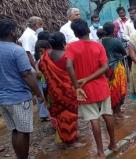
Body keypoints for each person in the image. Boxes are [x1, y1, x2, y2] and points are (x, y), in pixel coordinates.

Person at [66, 19, 117, 158]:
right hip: (101, 87)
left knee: (94, 119)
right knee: (108, 114)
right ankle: (113, 144)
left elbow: (69, 66)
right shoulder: (98, 46)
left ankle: (100, 152)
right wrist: (89, 78)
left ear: (75, 33)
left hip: (85, 90)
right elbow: (105, 67)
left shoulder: (71, 47)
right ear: (88, 30)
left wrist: (78, 85)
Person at [0, 18, 44, 159]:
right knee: (23, 132)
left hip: (3, 98)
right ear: (11, 32)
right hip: (19, 98)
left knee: (14, 130)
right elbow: (26, 75)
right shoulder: (17, 50)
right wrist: (38, 93)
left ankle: (20, 157)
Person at [38, 32, 81, 145]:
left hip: (54, 94)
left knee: (60, 115)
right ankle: (72, 139)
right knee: (71, 115)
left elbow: (43, 73)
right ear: (63, 43)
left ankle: (65, 138)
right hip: (70, 93)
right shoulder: (68, 57)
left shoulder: (44, 59)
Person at [18, 16, 49, 121]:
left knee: (42, 87)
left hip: (36, 64)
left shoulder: (32, 34)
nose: (42, 26)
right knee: (41, 88)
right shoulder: (28, 35)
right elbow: (28, 53)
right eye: (40, 24)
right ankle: (44, 114)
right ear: (35, 25)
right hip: (34, 65)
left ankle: (44, 113)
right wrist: (36, 69)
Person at [101, 22, 127, 119]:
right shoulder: (116, 41)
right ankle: (117, 111)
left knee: (110, 90)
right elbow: (124, 53)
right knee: (119, 90)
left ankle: (113, 110)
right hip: (116, 68)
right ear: (113, 30)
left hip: (104, 70)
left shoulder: (99, 42)